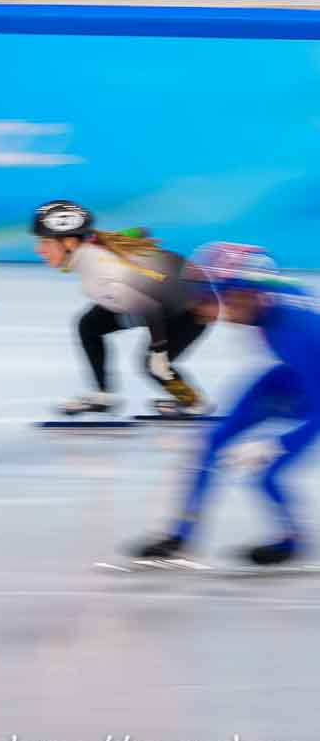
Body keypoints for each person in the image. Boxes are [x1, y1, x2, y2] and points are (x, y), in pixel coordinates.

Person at [130, 244, 320, 567]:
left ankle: (292, 540)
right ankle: (179, 536)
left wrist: (278, 443)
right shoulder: (269, 307)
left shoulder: (297, 331)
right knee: (213, 441)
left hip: (308, 375)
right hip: (298, 375)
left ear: (243, 293)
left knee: (267, 471)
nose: (200, 308)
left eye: (208, 297)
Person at [31, 200, 212, 417]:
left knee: (153, 366)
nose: (39, 250)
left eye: (45, 242)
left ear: (69, 242)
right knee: (90, 324)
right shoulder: (93, 243)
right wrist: (134, 239)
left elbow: (150, 308)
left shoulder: (102, 276)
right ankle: (103, 396)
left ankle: (193, 402)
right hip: (162, 293)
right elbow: (141, 231)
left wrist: (159, 353)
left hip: (191, 309)